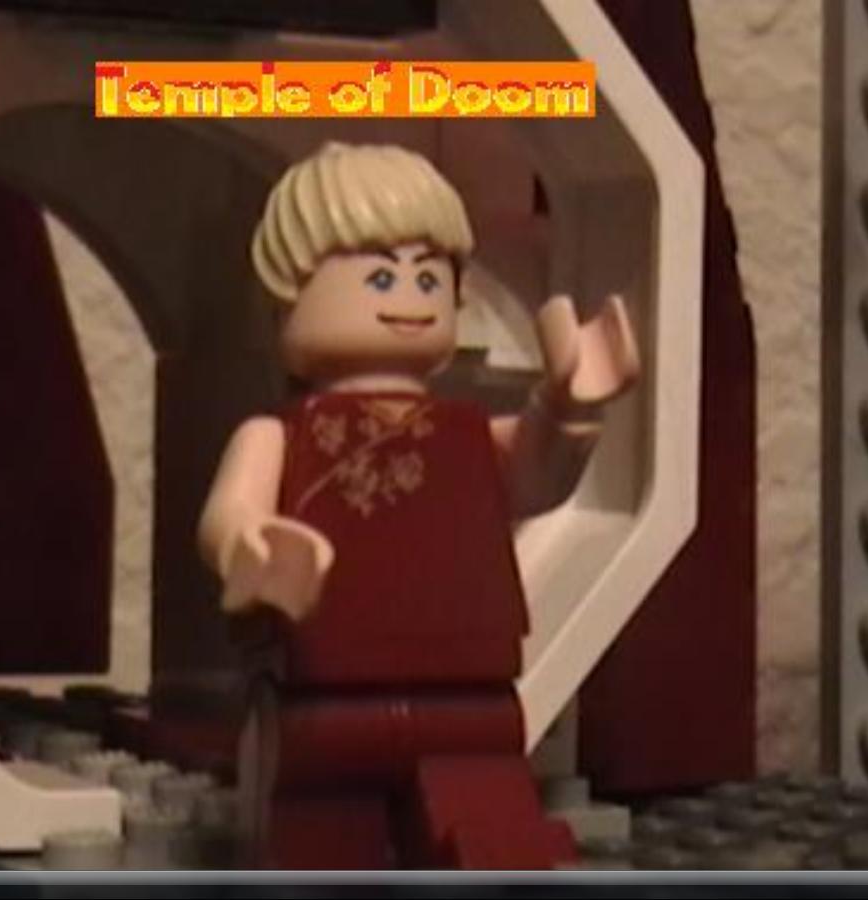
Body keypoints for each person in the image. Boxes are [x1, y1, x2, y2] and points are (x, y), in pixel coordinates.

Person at [199, 142, 639, 869]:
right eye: (380, 274)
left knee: (494, 840)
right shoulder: (280, 434)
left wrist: (567, 409)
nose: (409, 293)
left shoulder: (468, 432)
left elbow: (537, 480)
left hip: (470, 697)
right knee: (321, 843)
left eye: (430, 275)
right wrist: (252, 547)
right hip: (322, 697)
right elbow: (227, 515)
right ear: (286, 296)